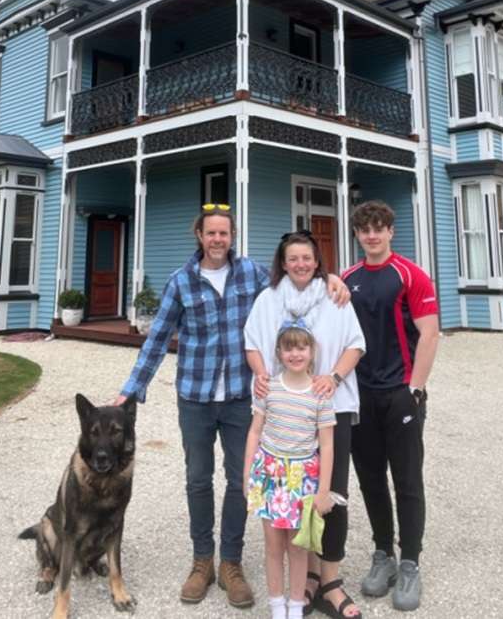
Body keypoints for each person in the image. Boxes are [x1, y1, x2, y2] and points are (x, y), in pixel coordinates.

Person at [114, 206, 350, 609]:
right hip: (196, 398)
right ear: (200, 236)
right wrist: (132, 389)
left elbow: (295, 280)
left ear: (232, 236)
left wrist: (329, 277)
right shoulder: (181, 282)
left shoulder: (253, 275)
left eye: (225, 233)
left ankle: (231, 563)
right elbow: (157, 340)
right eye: (212, 233)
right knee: (198, 479)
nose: (218, 240)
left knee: (241, 483)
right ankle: (202, 560)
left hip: (242, 398)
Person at [244, 230, 365, 619]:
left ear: (318, 261)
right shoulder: (268, 299)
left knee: (327, 494)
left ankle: (329, 580)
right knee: (293, 500)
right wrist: (262, 373)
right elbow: (251, 342)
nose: (300, 264)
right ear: (282, 262)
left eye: (307, 258)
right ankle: (306, 579)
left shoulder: (334, 295)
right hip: (282, 404)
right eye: (292, 258)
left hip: (329, 402)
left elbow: (355, 343)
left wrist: (334, 376)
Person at [343, 201, 439, 612]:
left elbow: (430, 333)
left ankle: (410, 561)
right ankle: (382, 553)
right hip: (359, 395)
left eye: (379, 228)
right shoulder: (348, 279)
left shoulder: (411, 274)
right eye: (365, 229)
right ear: (358, 234)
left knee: (407, 480)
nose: (372, 235)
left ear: (391, 231)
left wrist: (415, 389)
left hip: (400, 391)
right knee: (370, 480)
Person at [244, 323, 335, 619]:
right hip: (269, 474)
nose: (295, 353)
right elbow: (255, 431)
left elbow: (327, 444)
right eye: (289, 347)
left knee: (298, 546)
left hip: (302, 477)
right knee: (273, 545)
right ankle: (276, 605)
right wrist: (247, 476)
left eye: (301, 347)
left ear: (311, 352)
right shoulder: (268, 387)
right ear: (279, 352)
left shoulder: (321, 393)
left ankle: (296, 605)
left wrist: (323, 491)